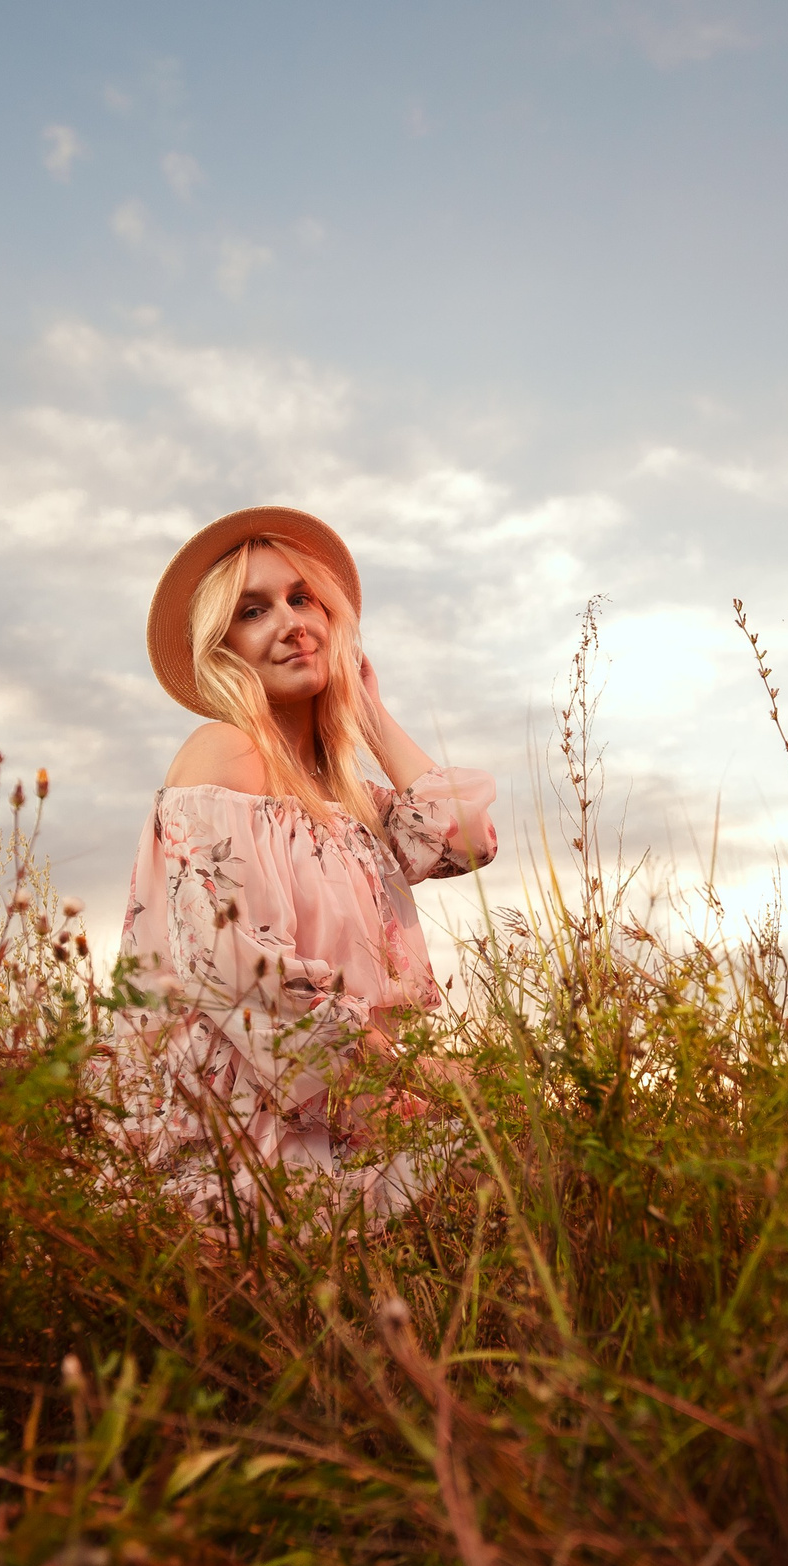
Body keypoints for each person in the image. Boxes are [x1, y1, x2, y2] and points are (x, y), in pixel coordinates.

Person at [110, 505, 498, 1228]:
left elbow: (464, 836)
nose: (290, 622)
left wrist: (368, 712)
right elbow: (237, 968)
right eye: (254, 611)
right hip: (248, 1128)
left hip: (340, 1102)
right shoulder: (224, 753)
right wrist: (418, 1074)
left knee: (518, 1163)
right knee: (497, 1168)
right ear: (222, 649)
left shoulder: (339, 797)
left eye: (302, 598)